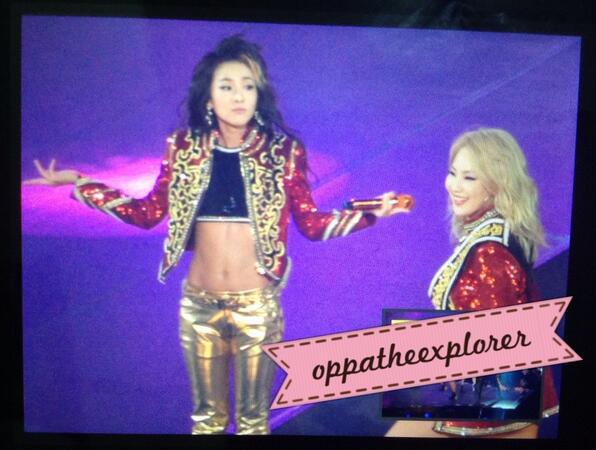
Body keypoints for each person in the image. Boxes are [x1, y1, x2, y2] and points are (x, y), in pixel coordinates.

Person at [25, 35, 410, 435]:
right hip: (199, 306)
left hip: (256, 307)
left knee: (253, 423)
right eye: (227, 86)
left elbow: (312, 225)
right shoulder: (183, 149)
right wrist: (81, 184)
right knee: (207, 422)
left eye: (248, 86)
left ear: (258, 95)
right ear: (209, 98)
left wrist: (370, 215)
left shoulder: (283, 152)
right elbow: (147, 213)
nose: (239, 96)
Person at [386, 128, 558, 438]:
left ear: (496, 184)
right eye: (453, 173)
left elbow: (490, 344)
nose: (454, 185)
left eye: (469, 178)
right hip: (493, 396)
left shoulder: (489, 253)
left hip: (493, 404)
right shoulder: (494, 232)